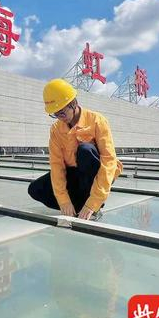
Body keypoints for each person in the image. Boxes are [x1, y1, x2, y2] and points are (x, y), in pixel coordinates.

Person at [28, 79, 122, 220]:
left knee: (85, 150)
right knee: (35, 189)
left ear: (73, 103)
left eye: (62, 112)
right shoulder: (56, 129)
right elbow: (57, 165)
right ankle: (79, 207)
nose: (60, 118)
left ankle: (94, 207)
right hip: (74, 173)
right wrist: (64, 201)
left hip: (96, 173)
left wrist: (93, 202)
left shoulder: (97, 121)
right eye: (55, 114)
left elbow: (109, 161)